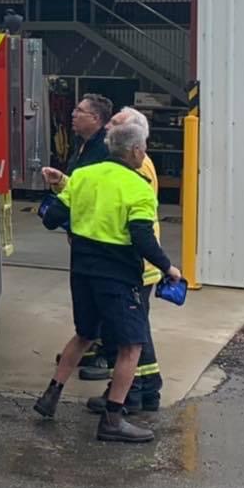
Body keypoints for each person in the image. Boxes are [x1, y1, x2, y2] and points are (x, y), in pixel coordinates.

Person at [32, 119, 183, 442]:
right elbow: (141, 236)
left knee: (85, 333)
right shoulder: (138, 188)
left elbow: (53, 219)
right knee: (131, 345)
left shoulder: (84, 177)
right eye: (143, 148)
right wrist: (169, 267)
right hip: (118, 275)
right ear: (136, 151)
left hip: (82, 271)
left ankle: (51, 396)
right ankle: (113, 419)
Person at [85, 107, 165, 414]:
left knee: (129, 336)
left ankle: (132, 394)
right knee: (136, 331)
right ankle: (147, 389)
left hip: (134, 265)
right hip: (139, 264)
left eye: (115, 127)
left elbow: (132, 222)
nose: (108, 130)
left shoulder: (136, 169)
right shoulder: (140, 164)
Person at [40, 92, 115, 379]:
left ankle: (105, 355)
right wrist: (61, 182)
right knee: (87, 300)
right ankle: (92, 345)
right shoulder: (83, 146)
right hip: (82, 234)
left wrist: (58, 211)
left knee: (103, 299)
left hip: (98, 241)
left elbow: (91, 194)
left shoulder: (102, 151)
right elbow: (78, 189)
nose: (73, 115)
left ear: (96, 119)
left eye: (79, 111)